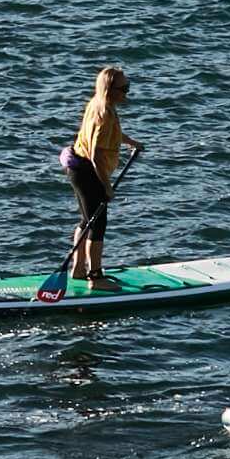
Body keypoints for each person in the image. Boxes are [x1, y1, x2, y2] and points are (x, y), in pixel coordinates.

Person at [51, 66, 141, 294]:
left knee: (87, 220)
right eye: (124, 89)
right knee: (98, 224)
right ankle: (95, 277)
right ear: (110, 90)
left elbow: (112, 134)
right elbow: (96, 155)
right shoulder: (104, 114)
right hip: (87, 171)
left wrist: (130, 142)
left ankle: (79, 269)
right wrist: (106, 186)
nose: (127, 93)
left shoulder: (99, 104)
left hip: (77, 167)